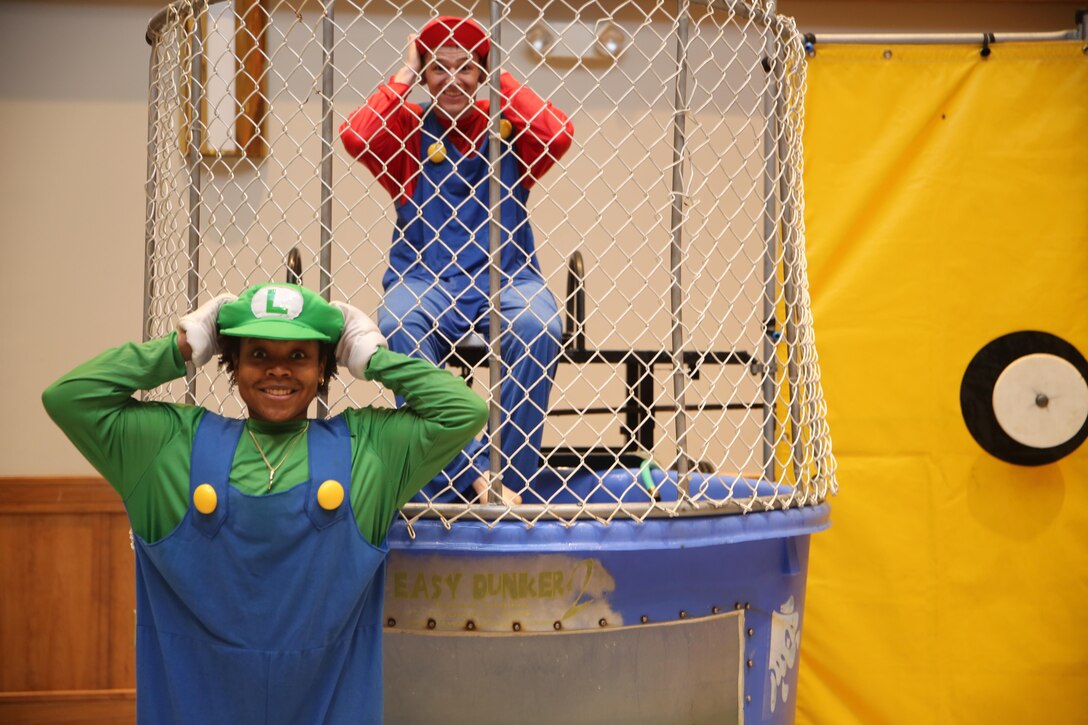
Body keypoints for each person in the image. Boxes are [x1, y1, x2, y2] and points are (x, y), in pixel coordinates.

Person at [42, 283, 487, 724]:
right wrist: (183, 345)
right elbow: (68, 398)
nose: (279, 370)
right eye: (259, 354)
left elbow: (464, 411)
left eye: (299, 355)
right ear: (232, 362)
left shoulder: (369, 448)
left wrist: (371, 357)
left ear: (323, 368)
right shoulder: (169, 445)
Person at [340, 16, 574, 505]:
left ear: (482, 72)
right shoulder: (408, 131)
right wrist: (403, 73)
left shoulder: (507, 127)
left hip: (508, 277)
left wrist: (500, 73)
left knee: (540, 327)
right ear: (425, 75)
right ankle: (473, 478)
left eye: (466, 67)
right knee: (399, 324)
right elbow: (357, 138)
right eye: (438, 68)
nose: (452, 78)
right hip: (424, 278)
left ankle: (509, 483)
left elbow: (557, 136)